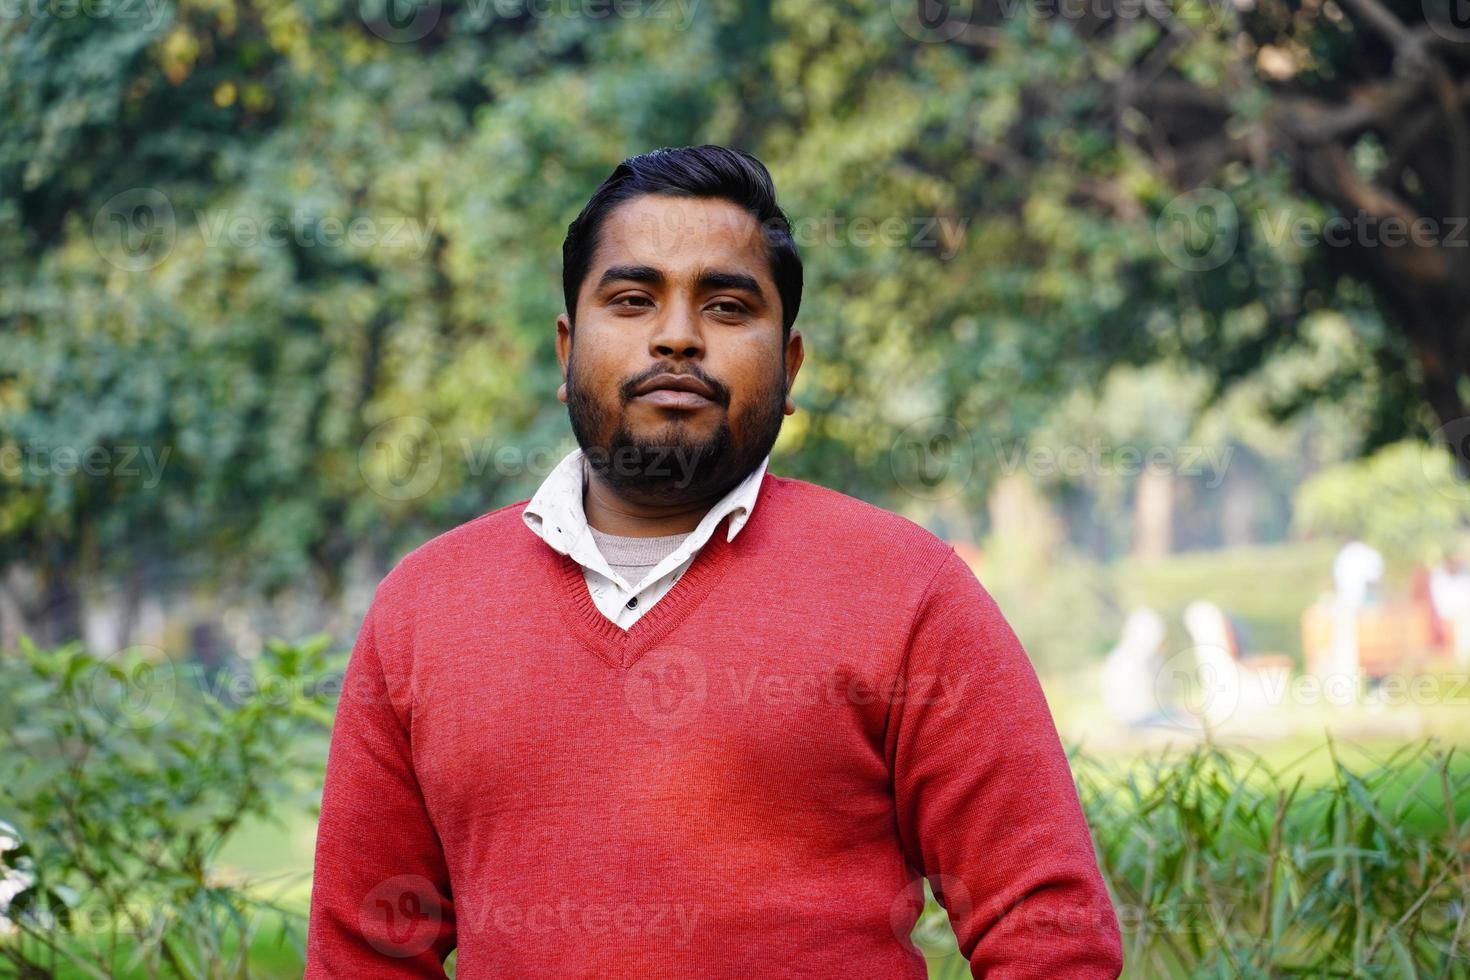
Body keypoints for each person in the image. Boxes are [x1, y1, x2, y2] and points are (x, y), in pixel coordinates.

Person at [304, 145, 1123, 978]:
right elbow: (363, 950)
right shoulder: (425, 609)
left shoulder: (907, 592)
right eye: (631, 299)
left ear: (790, 363)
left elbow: (1047, 928)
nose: (677, 337)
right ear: (565, 349)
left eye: (728, 307)